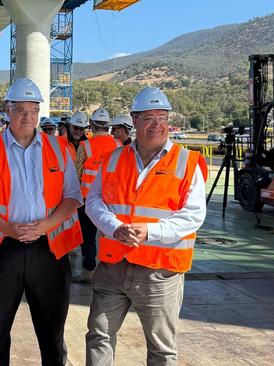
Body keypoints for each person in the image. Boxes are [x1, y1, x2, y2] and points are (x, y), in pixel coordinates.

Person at [0, 78, 83, 366]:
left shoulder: (58, 148)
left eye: (33, 110)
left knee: (52, 332)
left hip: (49, 250)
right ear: (7, 110)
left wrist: (47, 225)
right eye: (20, 110)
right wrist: (6, 227)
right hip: (2, 250)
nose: (27, 117)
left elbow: (73, 197)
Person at [85, 87, 208, 366]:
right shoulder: (113, 159)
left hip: (159, 272)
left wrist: (149, 231)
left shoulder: (187, 162)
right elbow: (93, 201)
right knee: (98, 335)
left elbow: (193, 215)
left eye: (162, 117)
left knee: (161, 349)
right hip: (113, 266)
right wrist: (114, 226)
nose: (157, 125)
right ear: (134, 120)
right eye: (149, 118)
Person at [73, 107, 121, 283]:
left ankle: (89, 271)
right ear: (108, 125)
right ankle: (109, 270)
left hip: (88, 200)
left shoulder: (85, 146)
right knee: (110, 234)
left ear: (91, 125)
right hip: (112, 199)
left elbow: (77, 174)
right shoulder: (118, 145)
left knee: (88, 237)